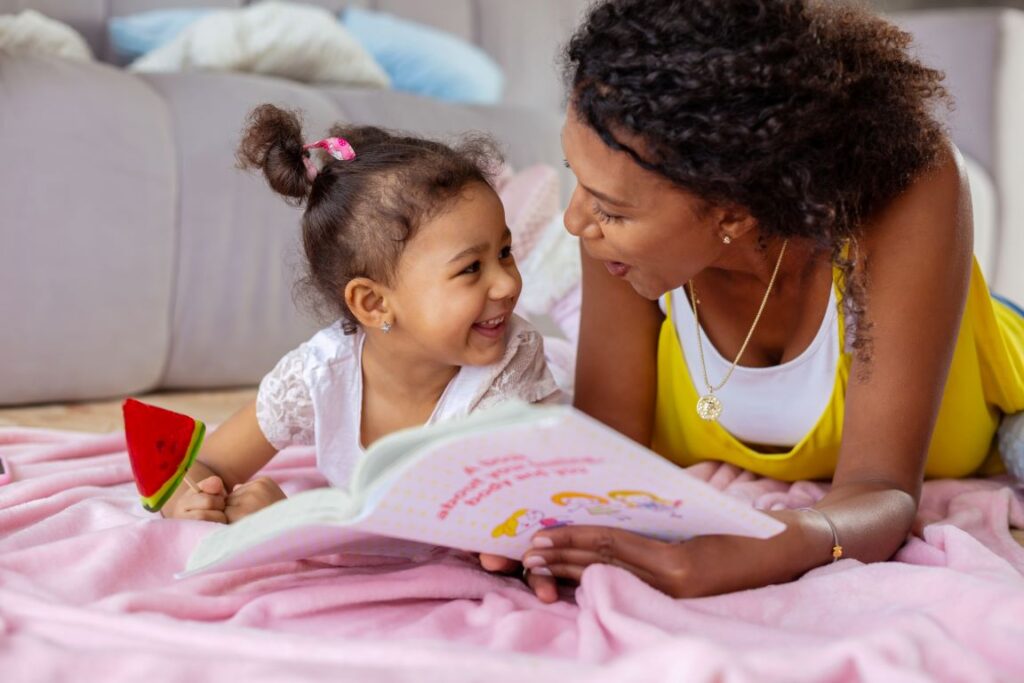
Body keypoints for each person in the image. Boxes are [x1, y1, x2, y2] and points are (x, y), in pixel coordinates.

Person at [481, 0, 1024, 604]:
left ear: (733, 213)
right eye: (575, 177)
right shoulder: (616, 239)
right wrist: (542, 536)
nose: (576, 219)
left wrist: (780, 545)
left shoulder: (908, 191)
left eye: (610, 207)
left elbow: (883, 491)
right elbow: (608, 458)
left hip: (997, 379)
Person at [159, 104, 561, 522]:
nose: (509, 284)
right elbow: (208, 466)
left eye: (505, 252)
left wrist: (295, 519)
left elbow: (499, 518)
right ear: (373, 303)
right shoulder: (320, 374)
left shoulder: (509, 368)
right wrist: (189, 500)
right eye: (471, 268)